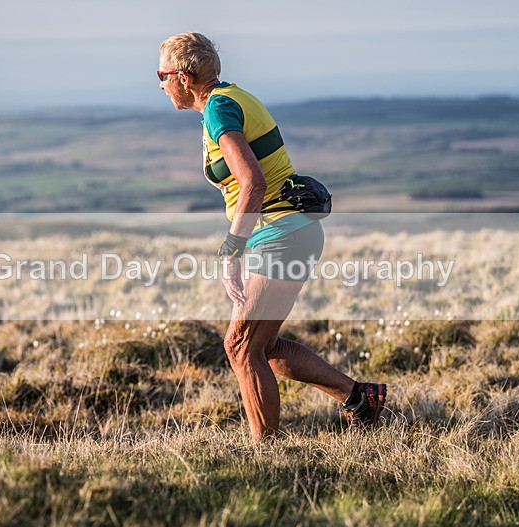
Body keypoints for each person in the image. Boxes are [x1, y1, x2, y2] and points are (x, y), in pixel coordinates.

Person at [158, 32, 386, 441]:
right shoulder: (233, 97)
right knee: (262, 346)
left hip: (279, 234)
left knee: (241, 347)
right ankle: (359, 398)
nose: (160, 84)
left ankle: (268, 451)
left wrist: (232, 250)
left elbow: (253, 182)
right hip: (290, 232)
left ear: (184, 78)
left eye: (162, 75)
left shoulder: (218, 110)